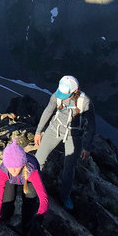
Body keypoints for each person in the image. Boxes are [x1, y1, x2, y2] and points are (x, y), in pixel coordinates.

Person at [33, 75, 96, 211]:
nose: (61, 97)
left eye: (65, 95)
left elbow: (91, 125)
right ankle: (32, 189)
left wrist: (87, 146)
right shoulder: (57, 95)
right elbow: (48, 110)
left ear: (75, 91)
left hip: (74, 135)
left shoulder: (85, 101)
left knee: (69, 167)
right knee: (38, 160)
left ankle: (65, 196)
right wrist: (38, 131)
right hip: (54, 129)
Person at [0, 139, 49, 236]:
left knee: (29, 206)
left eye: (16, 167)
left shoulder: (32, 171)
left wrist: (39, 218)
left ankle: (26, 229)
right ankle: (5, 222)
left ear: (22, 164)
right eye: (10, 166)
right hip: (11, 180)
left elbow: (44, 199)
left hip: (27, 177)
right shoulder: (3, 171)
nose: (13, 171)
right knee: (7, 202)